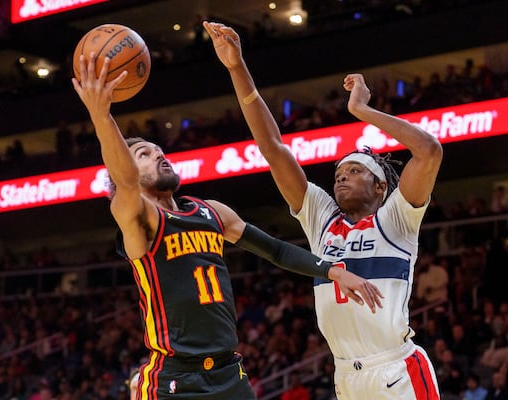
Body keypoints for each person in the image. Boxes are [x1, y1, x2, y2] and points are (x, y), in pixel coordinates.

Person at [71, 52, 383, 399]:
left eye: (158, 150)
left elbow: (276, 250)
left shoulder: (212, 212)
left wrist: (333, 271)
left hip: (227, 373)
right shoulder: (141, 220)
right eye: (144, 154)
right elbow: (126, 181)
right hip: (174, 379)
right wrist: (101, 116)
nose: (159, 155)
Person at [204, 21, 443, 399]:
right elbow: (272, 147)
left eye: (354, 171)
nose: (341, 179)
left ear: (380, 186)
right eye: (338, 173)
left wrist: (362, 110)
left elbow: (429, 150)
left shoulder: (396, 217)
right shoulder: (322, 218)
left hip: (395, 369)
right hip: (346, 374)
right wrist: (236, 67)